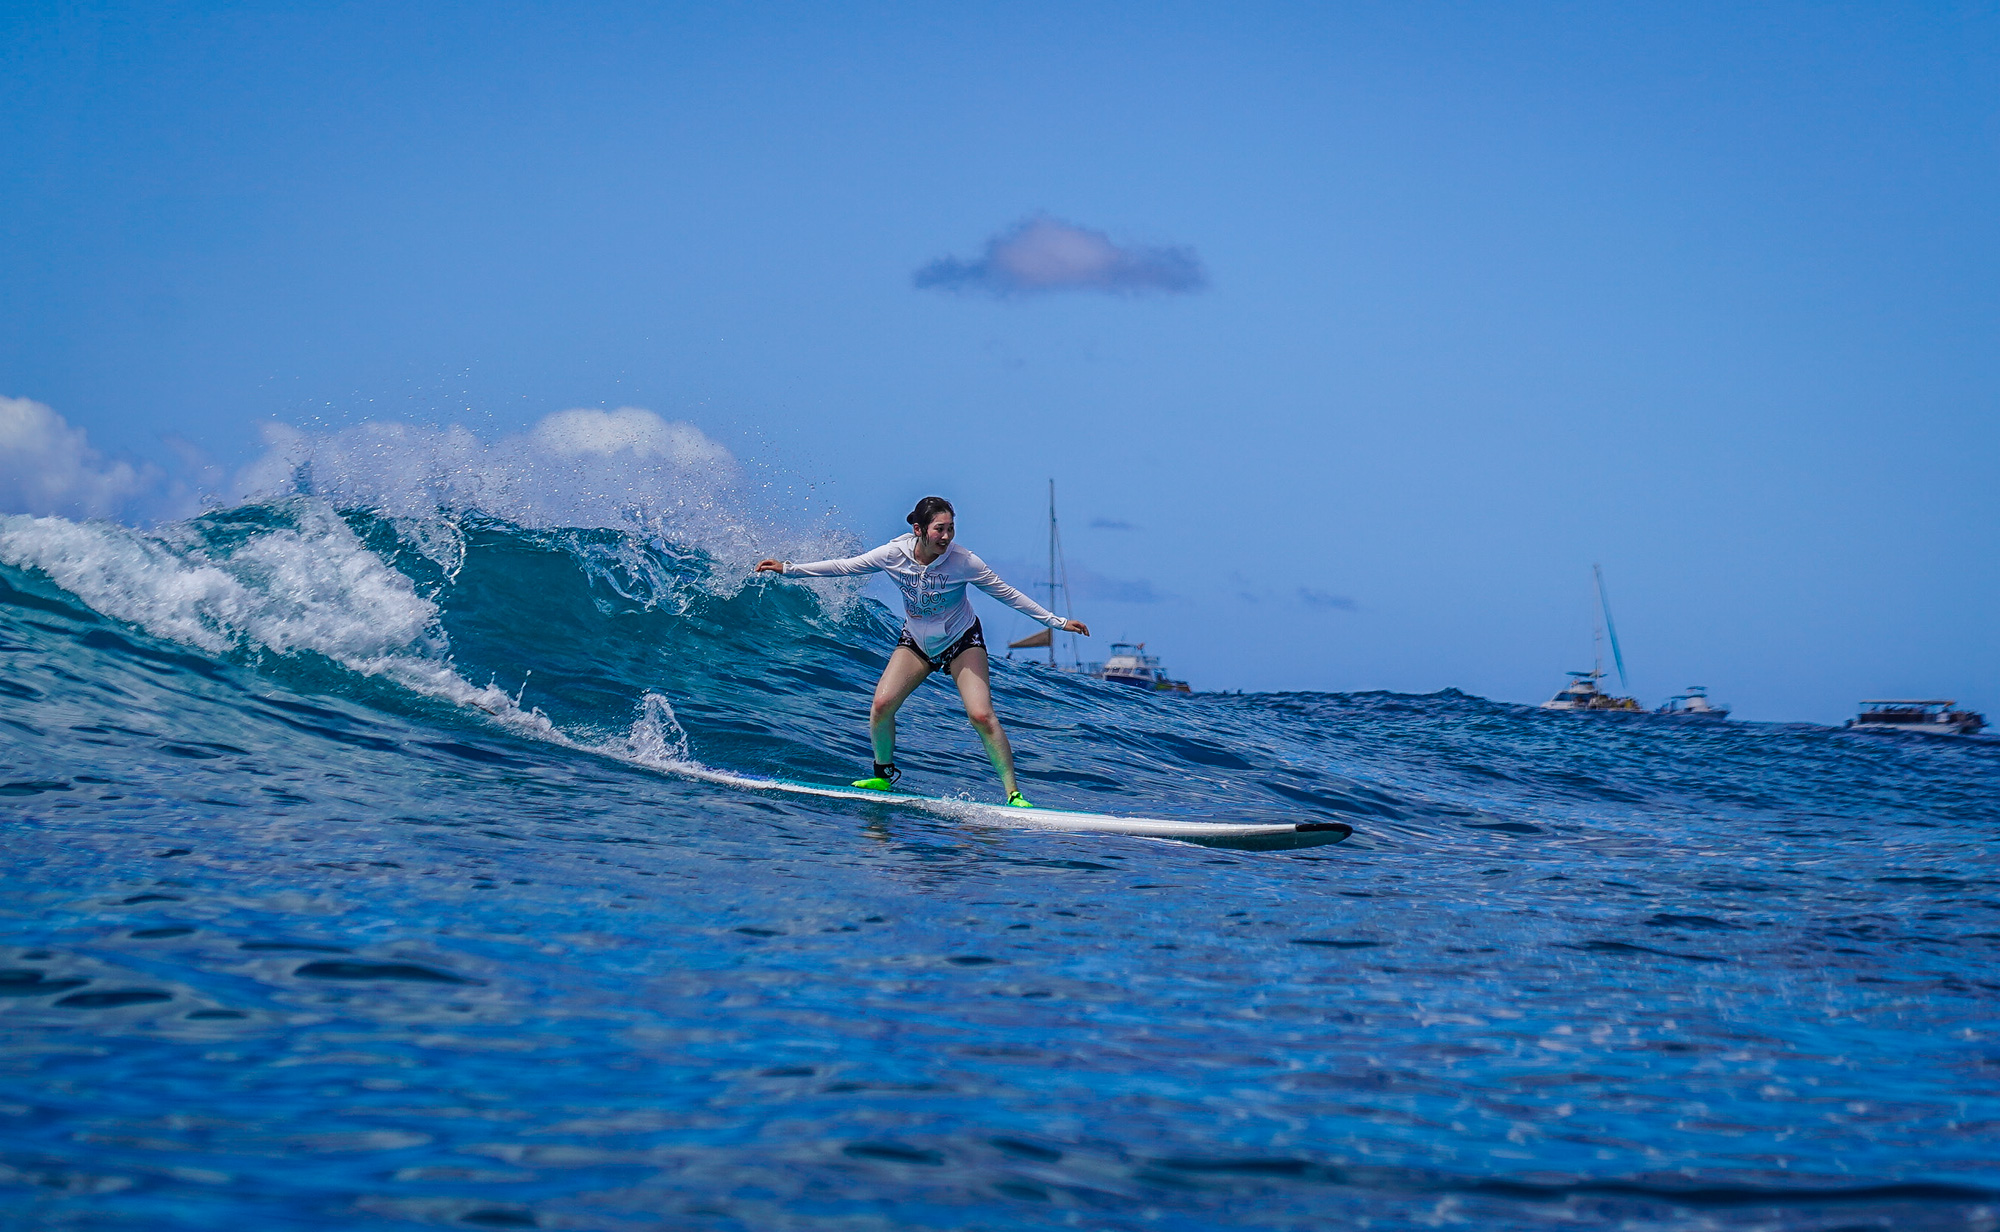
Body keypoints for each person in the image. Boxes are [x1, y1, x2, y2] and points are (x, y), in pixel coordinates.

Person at [755, 496, 1089, 806]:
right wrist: (789, 568)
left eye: (951, 528)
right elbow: (846, 566)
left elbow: (1008, 594)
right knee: (882, 705)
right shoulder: (892, 555)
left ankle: (1013, 794)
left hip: (961, 640)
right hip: (915, 641)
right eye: (939, 529)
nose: (946, 537)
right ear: (919, 530)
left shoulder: (964, 562)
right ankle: (883, 776)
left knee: (981, 715)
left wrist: (1058, 622)